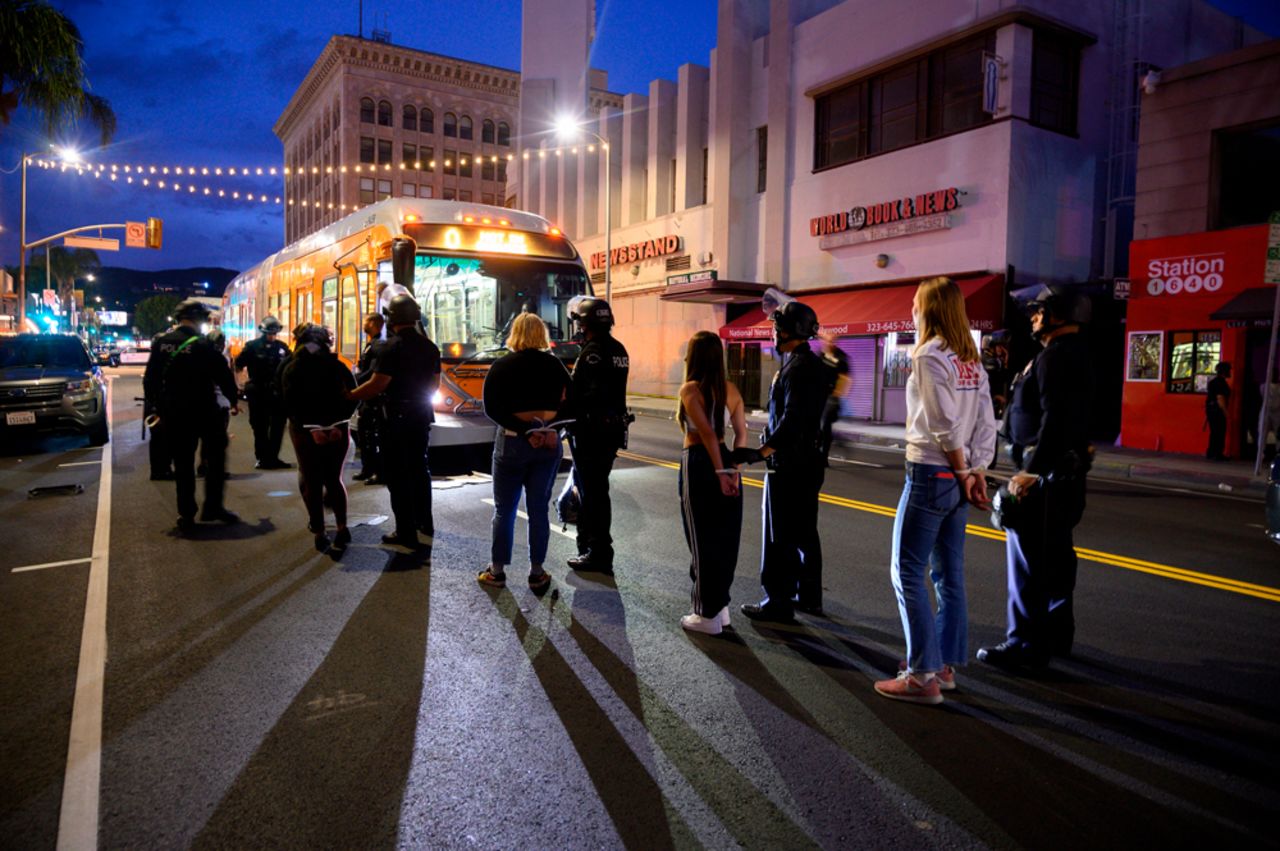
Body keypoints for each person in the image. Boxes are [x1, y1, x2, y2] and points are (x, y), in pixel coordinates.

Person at [874, 278, 996, 705]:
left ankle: (922, 675)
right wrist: (976, 469)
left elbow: (943, 422)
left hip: (930, 472)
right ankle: (943, 668)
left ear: (930, 309)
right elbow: (986, 420)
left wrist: (964, 472)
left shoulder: (927, 355)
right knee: (949, 575)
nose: (911, 308)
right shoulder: (969, 359)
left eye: (915, 302)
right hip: (957, 478)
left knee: (906, 571)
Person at [978, 285, 1093, 671]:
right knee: (1057, 558)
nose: (1033, 317)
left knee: (1029, 565)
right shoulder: (1077, 355)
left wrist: (1031, 472)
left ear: (1058, 314)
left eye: (1039, 311)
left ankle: (1025, 646)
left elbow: (1055, 418)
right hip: (1065, 474)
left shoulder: (1054, 358)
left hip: (1043, 476)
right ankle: (1058, 635)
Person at [731, 300, 830, 623]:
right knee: (805, 530)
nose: (773, 333)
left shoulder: (798, 369)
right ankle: (809, 595)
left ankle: (778, 601)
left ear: (790, 331)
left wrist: (761, 453)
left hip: (789, 464)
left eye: (777, 327)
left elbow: (793, 421)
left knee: (779, 535)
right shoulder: (810, 365)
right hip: (808, 462)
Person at [476, 313, 573, 591]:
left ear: (515, 334)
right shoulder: (555, 365)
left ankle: (496, 571)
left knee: (504, 509)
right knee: (538, 509)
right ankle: (537, 572)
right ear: (541, 334)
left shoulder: (502, 366)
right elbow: (574, 402)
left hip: (512, 442)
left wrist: (523, 431)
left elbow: (492, 408)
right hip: (548, 444)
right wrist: (550, 430)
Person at [348, 294, 441, 549]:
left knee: (398, 474)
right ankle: (425, 521)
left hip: (395, 419)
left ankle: (405, 531)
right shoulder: (430, 346)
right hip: (421, 416)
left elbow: (377, 384)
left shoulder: (391, 347)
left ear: (391, 318)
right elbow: (434, 385)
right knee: (420, 469)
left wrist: (349, 395)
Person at [676, 331, 748, 635]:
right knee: (724, 538)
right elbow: (742, 435)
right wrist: (734, 470)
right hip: (728, 463)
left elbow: (705, 434)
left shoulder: (690, 390)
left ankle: (706, 615)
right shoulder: (730, 389)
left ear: (694, 357)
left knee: (701, 538)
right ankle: (720, 608)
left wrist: (721, 473)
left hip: (701, 463)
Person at [158, 300, 242, 532]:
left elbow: (151, 379)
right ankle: (213, 507)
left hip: (175, 412)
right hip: (205, 411)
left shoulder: (162, 343)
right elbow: (224, 377)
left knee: (183, 465)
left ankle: (186, 514)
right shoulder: (204, 346)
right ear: (199, 320)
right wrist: (233, 400)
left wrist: (157, 408)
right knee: (215, 461)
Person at [564, 296, 630, 575]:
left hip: (592, 432)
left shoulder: (591, 352)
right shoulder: (618, 349)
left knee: (593, 494)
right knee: (598, 490)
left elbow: (583, 396)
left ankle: (598, 551)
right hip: (612, 430)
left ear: (584, 323)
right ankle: (594, 547)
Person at [281, 324, 357, 551]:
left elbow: (286, 401)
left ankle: (320, 532)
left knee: (312, 482)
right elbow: (354, 395)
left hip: (305, 432)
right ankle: (343, 529)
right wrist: (337, 423)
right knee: (334, 479)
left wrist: (313, 428)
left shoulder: (290, 367)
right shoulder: (338, 366)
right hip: (338, 430)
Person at [143, 310, 203, 481]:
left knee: (159, 436)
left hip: (161, 399)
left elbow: (150, 377)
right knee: (182, 438)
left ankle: (159, 470)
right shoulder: (196, 344)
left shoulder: (162, 344)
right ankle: (174, 469)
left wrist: (152, 400)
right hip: (183, 400)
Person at [234, 315, 292, 469]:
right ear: (263, 332)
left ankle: (273, 457)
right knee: (259, 426)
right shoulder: (251, 346)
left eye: (274, 333)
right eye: (269, 333)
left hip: (277, 393)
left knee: (278, 426)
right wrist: (240, 383)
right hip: (258, 391)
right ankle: (262, 458)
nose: (272, 336)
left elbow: (290, 366)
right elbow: (238, 365)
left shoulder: (282, 347)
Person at [353, 313, 388, 484]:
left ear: (374, 323)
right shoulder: (372, 344)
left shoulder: (379, 345)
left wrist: (355, 382)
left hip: (374, 398)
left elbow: (372, 372)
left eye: (366, 321)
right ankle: (367, 469)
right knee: (364, 435)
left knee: (371, 436)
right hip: (368, 397)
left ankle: (376, 471)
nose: (363, 324)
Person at [818, 335, 849, 465]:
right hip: (819, 395)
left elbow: (845, 378)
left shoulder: (841, 357)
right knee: (817, 426)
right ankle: (824, 446)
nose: (828, 343)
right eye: (826, 340)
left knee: (825, 425)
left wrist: (837, 394)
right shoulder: (820, 355)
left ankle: (823, 457)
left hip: (832, 397)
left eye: (831, 341)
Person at [1205, 362, 1231, 461]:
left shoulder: (1213, 382)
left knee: (1214, 432)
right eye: (1229, 370)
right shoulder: (1221, 383)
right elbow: (1220, 399)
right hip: (1218, 411)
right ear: (1225, 371)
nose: (1230, 372)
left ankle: (1211, 452)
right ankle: (1217, 454)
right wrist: (1226, 413)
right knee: (1219, 432)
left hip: (1211, 410)